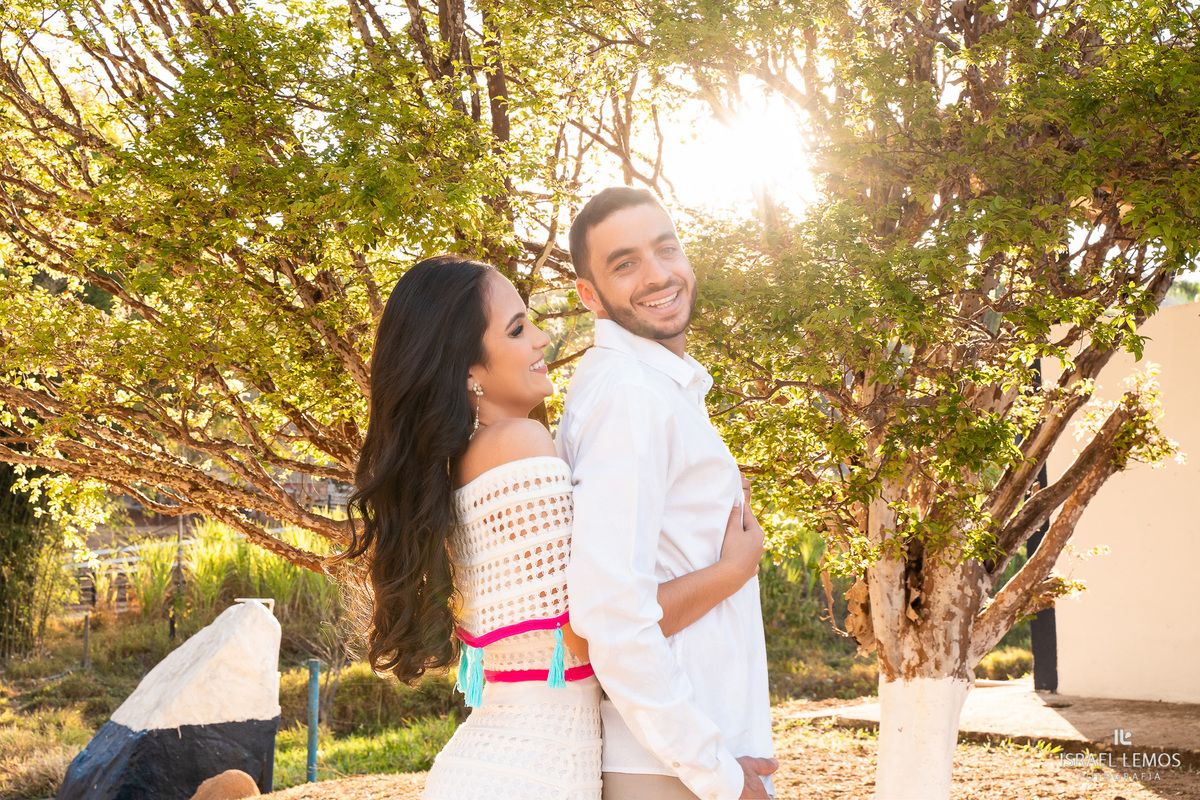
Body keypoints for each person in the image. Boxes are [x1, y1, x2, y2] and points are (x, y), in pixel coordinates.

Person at [338, 255, 765, 800]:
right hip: (527, 774)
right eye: (517, 329)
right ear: (468, 370)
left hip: (505, 766)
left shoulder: (472, 460)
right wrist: (730, 572)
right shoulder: (518, 443)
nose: (542, 339)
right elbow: (591, 632)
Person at [559, 187, 778, 800]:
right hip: (671, 769)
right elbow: (609, 614)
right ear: (589, 294)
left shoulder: (656, 387)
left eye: (666, 248)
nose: (657, 275)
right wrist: (718, 775)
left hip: (692, 755)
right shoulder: (630, 395)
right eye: (624, 263)